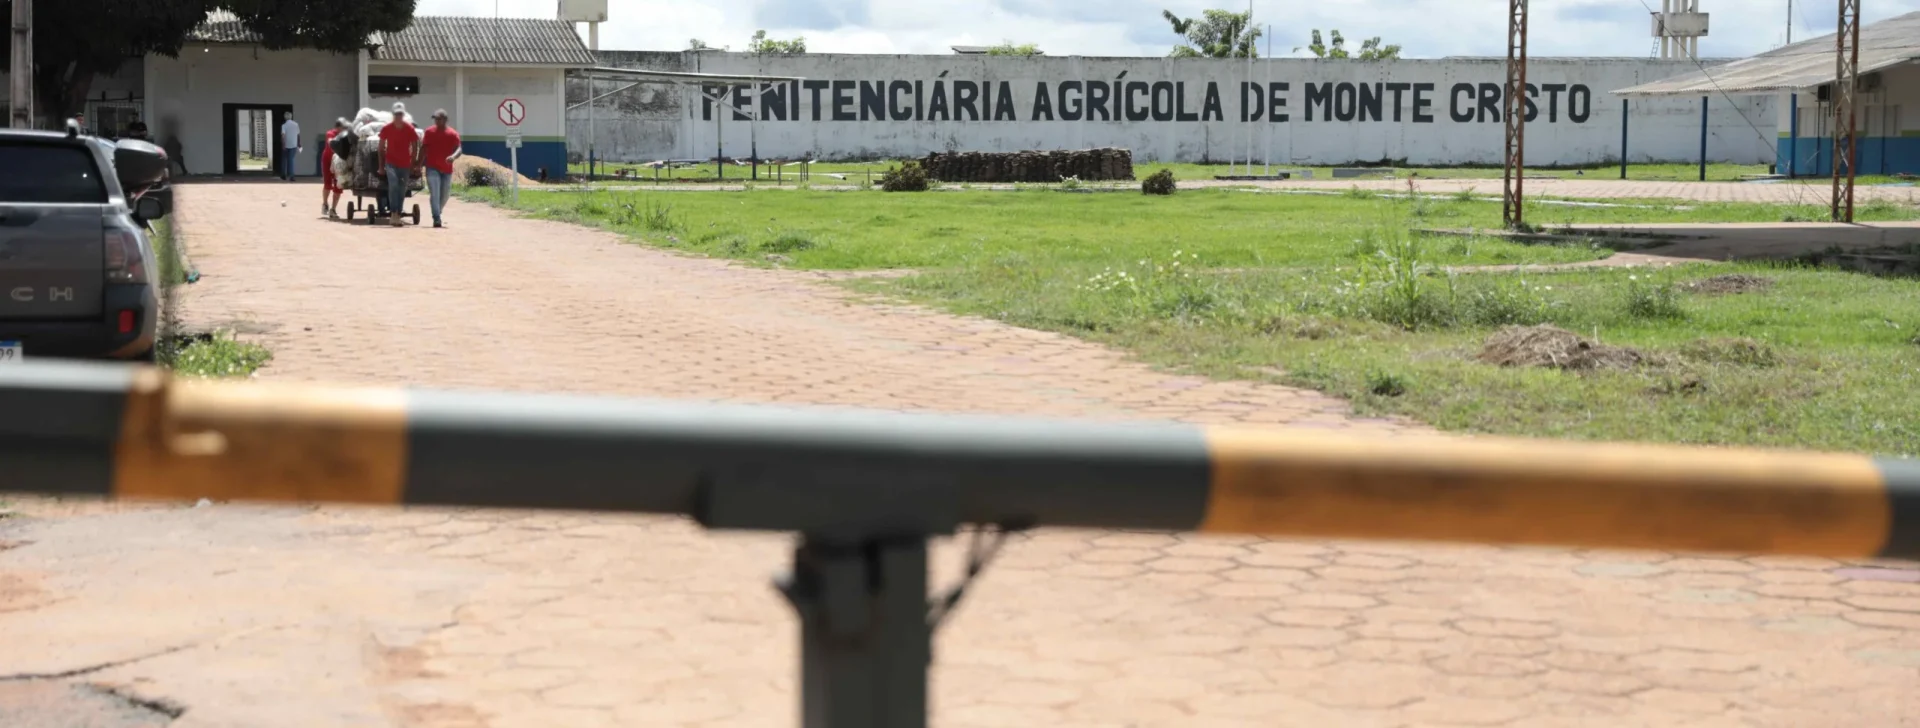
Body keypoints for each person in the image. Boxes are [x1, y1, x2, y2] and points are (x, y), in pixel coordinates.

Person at [377, 108, 420, 228]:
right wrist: (381, 166)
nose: (398, 118)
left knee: (402, 190)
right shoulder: (387, 128)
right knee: (393, 185)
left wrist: (414, 164)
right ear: (393, 117)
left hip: (405, 164)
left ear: (403, 116)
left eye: (400, 115)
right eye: (396, 115)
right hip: (390, 163)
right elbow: (381, 147)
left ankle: (398, 213)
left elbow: (415, 145)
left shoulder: (409, 128)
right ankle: (393, 213)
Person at [419, 109, 463, 228]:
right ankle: (436, 218)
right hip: (432, 168)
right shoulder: (429, 132)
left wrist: (453, 157)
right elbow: (423, 149)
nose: (436, 121)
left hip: (447, 170)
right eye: (435, 119)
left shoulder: (452, 134)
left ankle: (438, 211)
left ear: (445, 120)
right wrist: (418, 165)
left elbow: (459, 149)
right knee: (435, 193)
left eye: (439, 119)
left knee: (445, 195)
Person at [321, 118, 349, 219]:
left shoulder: (346, 135)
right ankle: (325, 204)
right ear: (337, 127)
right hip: (328, 160)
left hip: (340, 162)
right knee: (327, 184)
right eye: (343, 127)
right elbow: (330, 142)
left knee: (339, 185)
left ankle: (333, 209)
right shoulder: (330, 133)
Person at [279, 112, 301, 181]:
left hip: (286, 144)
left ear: (285, 117)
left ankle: (283, 175)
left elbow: (283, 136)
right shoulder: (296, 124)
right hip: (294, 144)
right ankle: (291, 176)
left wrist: (283, 145)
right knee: (291, 160)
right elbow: (298, 135)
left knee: (284, 160)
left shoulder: (284, 125)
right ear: (291, 117)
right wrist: (299, 143)